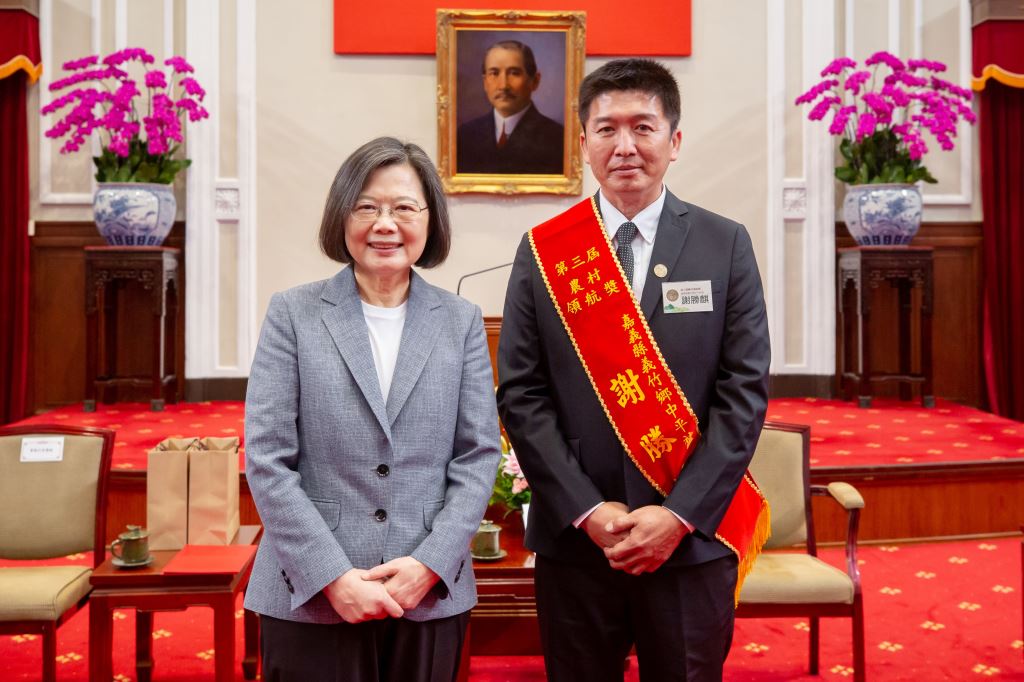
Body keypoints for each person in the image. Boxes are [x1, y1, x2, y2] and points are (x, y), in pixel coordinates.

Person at [496, 59, 771, 681]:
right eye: (606, 129)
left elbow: (743, 393)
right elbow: (521, 394)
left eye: (643, 127)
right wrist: (587, 511)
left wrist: (678, 515)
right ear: (583, 143)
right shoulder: (545, 250)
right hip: (577, 542)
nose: (625, 146)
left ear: (674, 141)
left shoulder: (724, 244)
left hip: (690, 539)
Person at [244, 137, 500, 682]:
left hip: (426, 594)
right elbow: (267, 459)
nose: (385, 224)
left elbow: (478, 455)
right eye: (367, 207)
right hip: (310, 595)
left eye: (404, 208)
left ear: (430, 220)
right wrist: (332, 576)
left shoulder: (460, 321)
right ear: (342, 216)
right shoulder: (293, 314)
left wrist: (429, 564)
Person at [456, 39, 564, 175]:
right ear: (485, 82)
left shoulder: (557, 139)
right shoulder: (465, 136)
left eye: (514, 73)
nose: (503, 86)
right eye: (494, 73)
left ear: (534, 81)